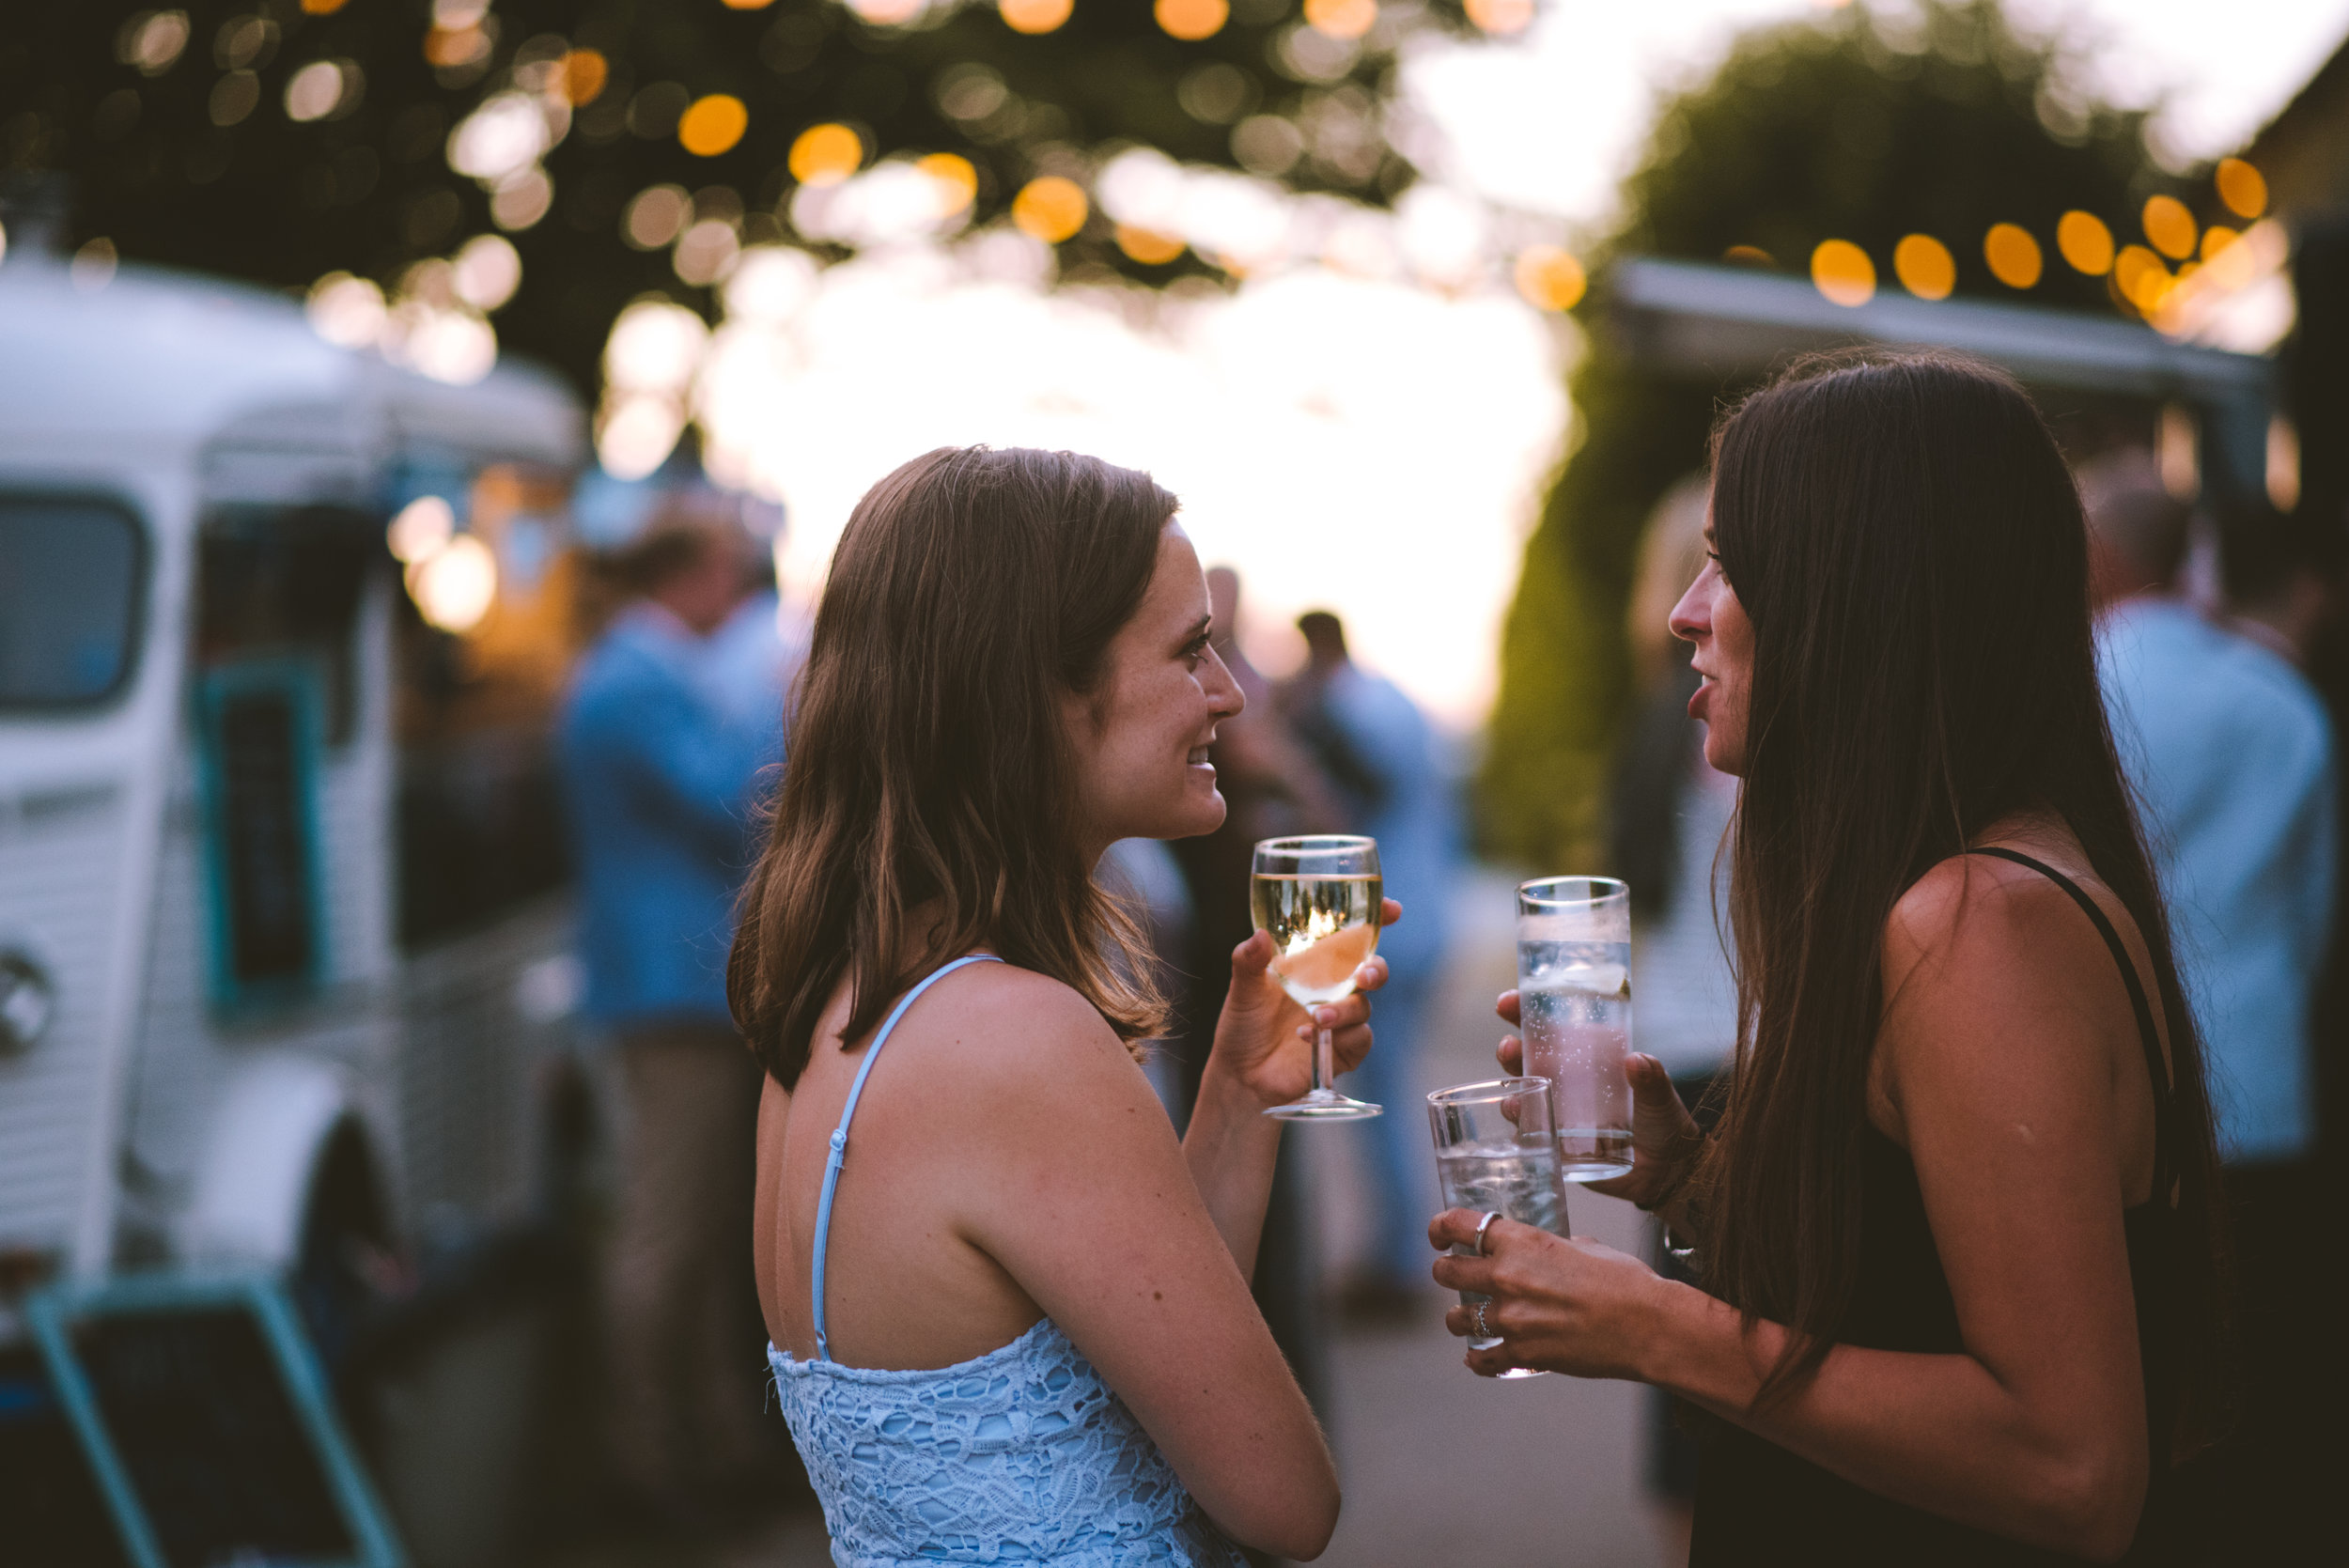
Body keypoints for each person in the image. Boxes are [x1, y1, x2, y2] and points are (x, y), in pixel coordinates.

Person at [1436, 352, 2229, 1564]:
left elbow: (2072, 1466)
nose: (1683, 611)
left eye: (1730, 563)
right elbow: (1912, 1281)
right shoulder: (1949, 886)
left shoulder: (1977, 924)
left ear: (1856, 594)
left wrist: (1657, 1326)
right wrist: (1693, 1178)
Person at [729, 446, 1394, 1564]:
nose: (1230, 693)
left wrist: (1236, 1096)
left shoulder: (831, 1016)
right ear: (1038, 691)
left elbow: (1139, 1379)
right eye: (1191, 651)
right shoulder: (1016, 1039)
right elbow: (1284, 1503)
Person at [2082, 461, 2340, 1559]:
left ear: (2100, 558)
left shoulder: (2073, 681)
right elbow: (2316, 907)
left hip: (2126, 1101)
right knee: (2262, 1392)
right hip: (2268, 1092)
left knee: (2142, 1385)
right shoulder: (2275, 695)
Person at [556, 509, 782, 1522]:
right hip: (668, 989)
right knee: (664, 1224)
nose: (736, 599)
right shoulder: (634, 681)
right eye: (728, 577)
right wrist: (783, 695)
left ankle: (714, 1446)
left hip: (680, 984)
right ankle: (642, 1458)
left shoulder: (633, 674)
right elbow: (727, 792)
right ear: (684, 575)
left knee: (697, 1219)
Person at [1281, 610, 1459, 1312]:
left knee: (1375, 1090)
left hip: (1386, 921)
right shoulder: (1396, 699)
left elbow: (1367, 789)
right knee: (1384, 1086)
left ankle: (1399, 1262)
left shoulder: (1352, 709)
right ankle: (1397, 1252)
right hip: (1425, 910)